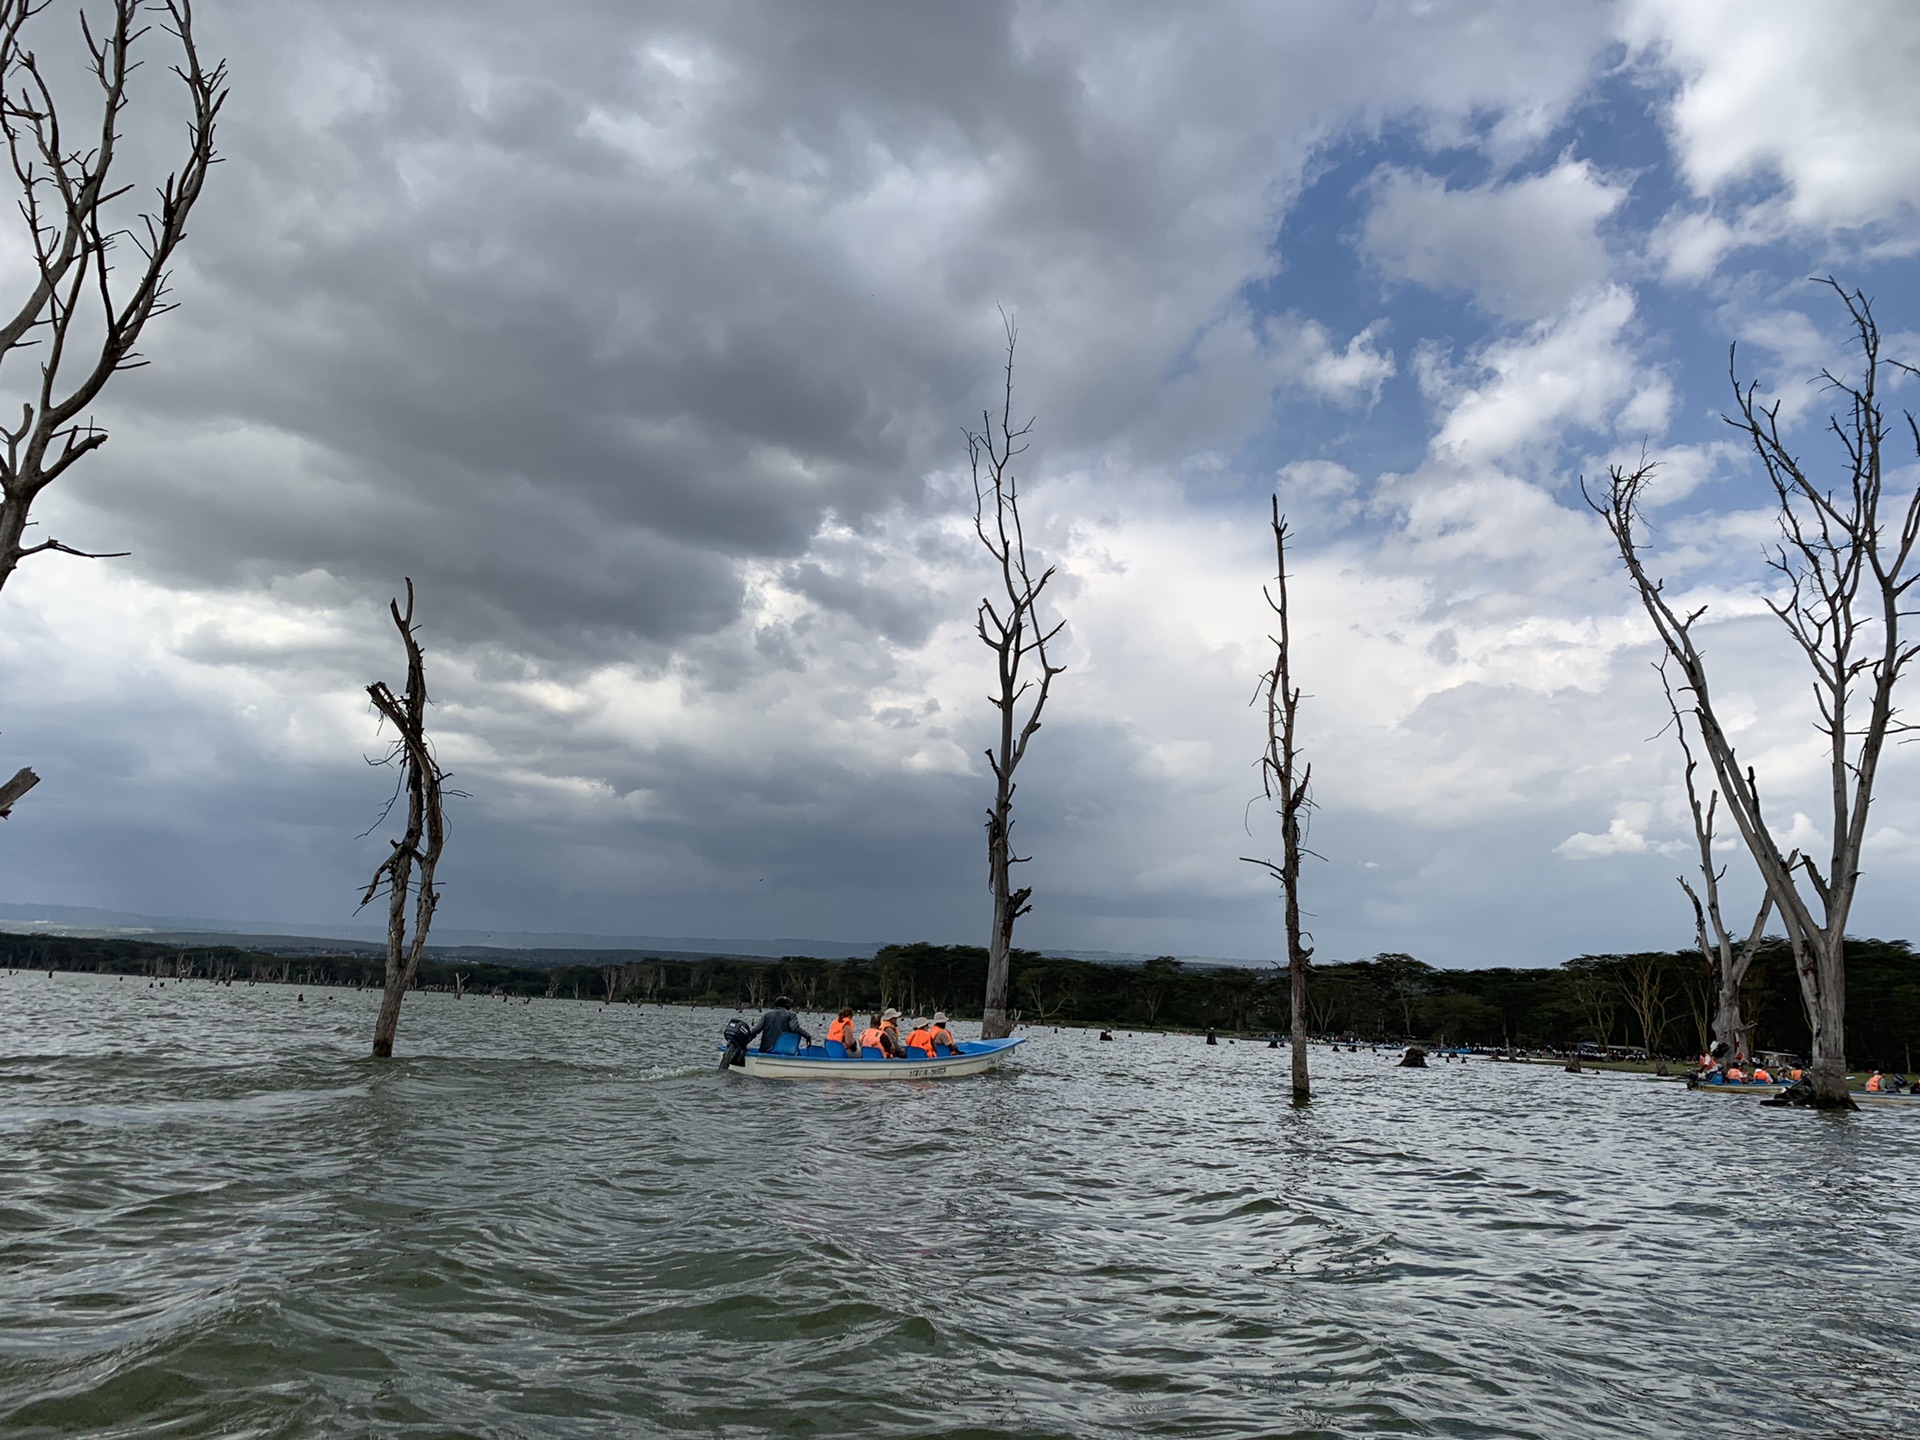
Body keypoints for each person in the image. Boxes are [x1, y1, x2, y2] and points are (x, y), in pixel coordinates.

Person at [745, 995, 812, 1054]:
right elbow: (794, 1028)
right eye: (789, 1003)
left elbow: (755, 1031)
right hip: (783, 1051)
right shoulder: (791, 1015)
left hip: (765, 1050)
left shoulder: (767, 1015)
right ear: (785, 1005)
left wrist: (744, 1044)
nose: (790, 1005)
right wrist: (807, 1036)